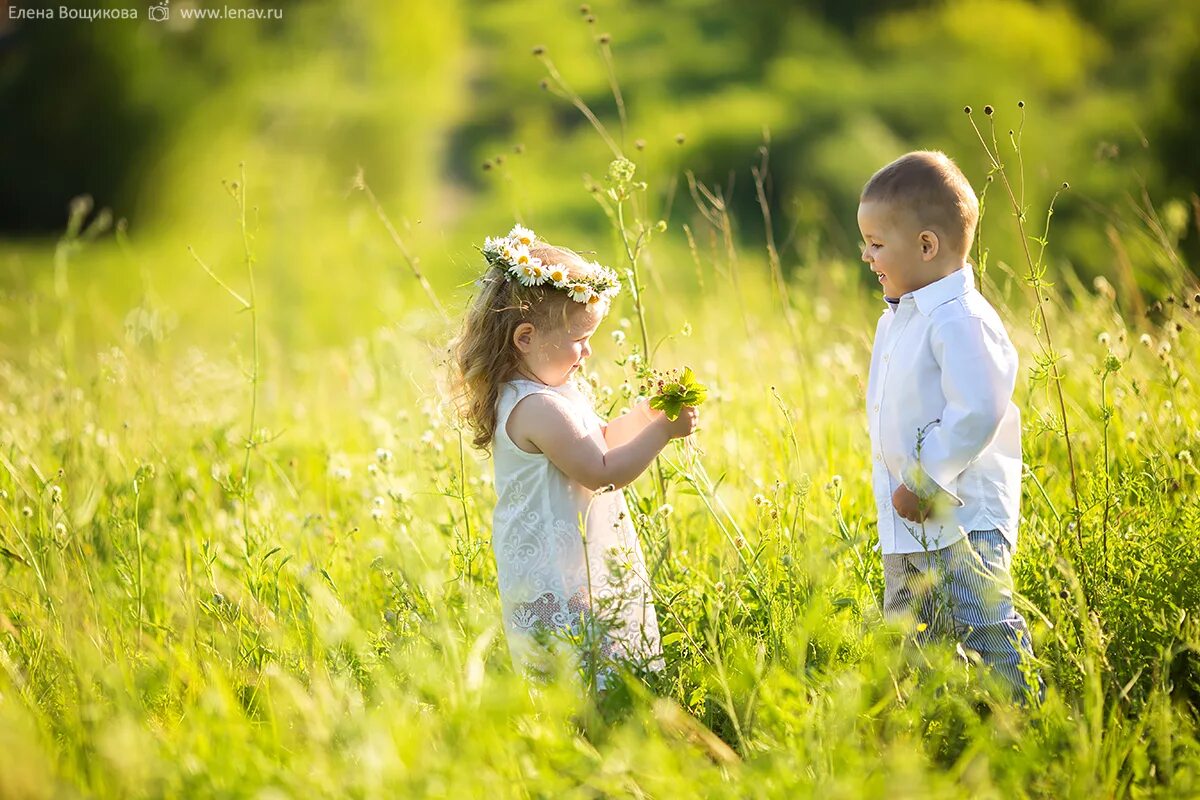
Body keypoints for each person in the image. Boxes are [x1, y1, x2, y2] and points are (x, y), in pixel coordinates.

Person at [451, 224, 698, 685]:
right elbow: (602, 471)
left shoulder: (553, 393)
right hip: (552, 569)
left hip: (572, 560)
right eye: (579, 338)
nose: (588, 351)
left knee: (596, 663)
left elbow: (599, 439)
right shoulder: (537, 408)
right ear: (525, 339)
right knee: (572, 674)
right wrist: (663, 433)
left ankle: (603, 724)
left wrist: (645, 415)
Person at [859, 151, 1040, 700]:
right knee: (911, 638)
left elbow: (979, 408)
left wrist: (924, 476)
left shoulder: (958, 318)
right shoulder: (904, 314)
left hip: (961, 519)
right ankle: (929, 736)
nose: (866, 256)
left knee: (984, 624)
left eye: (876, 244)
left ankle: (1030, 723)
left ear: (927, 246)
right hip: (911, 521)